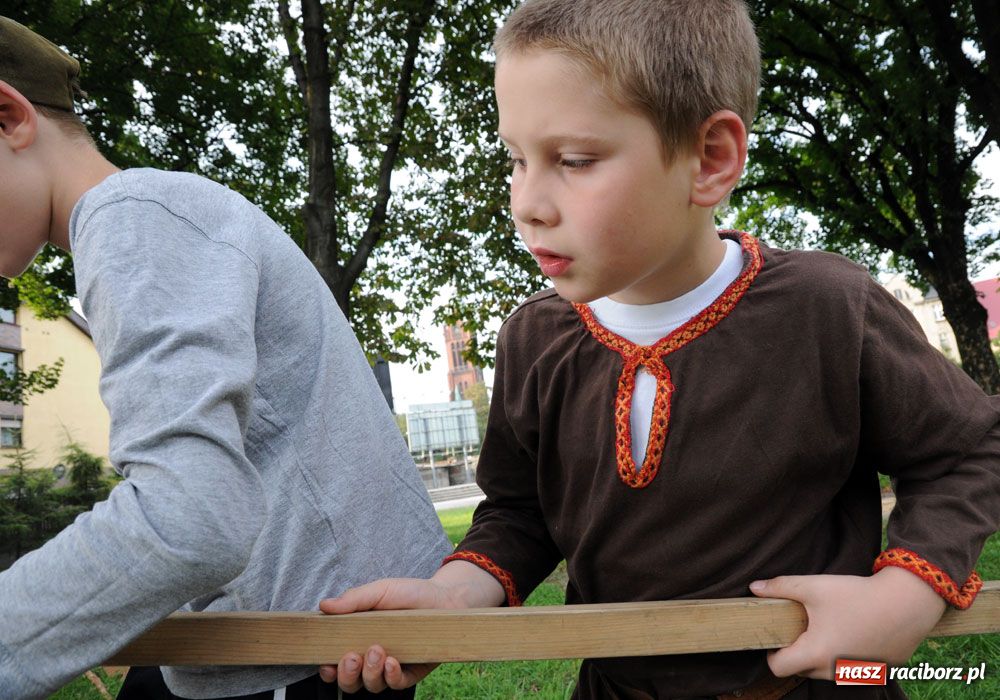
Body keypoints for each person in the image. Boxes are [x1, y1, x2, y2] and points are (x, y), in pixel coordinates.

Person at [317, 0, 1000, 697]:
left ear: (709, 159)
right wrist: (456, 595)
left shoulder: (829, 308)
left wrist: (907, 593)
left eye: (573, 160)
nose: (527, 202)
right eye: (516, 161)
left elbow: (972, 450)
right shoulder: (533, 339)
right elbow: (520, 514)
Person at [0, 16, 451, 700]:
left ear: (9, 117)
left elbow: (190, 517)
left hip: (308, 650)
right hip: (296, 636)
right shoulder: (160, 215)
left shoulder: (131, 220)